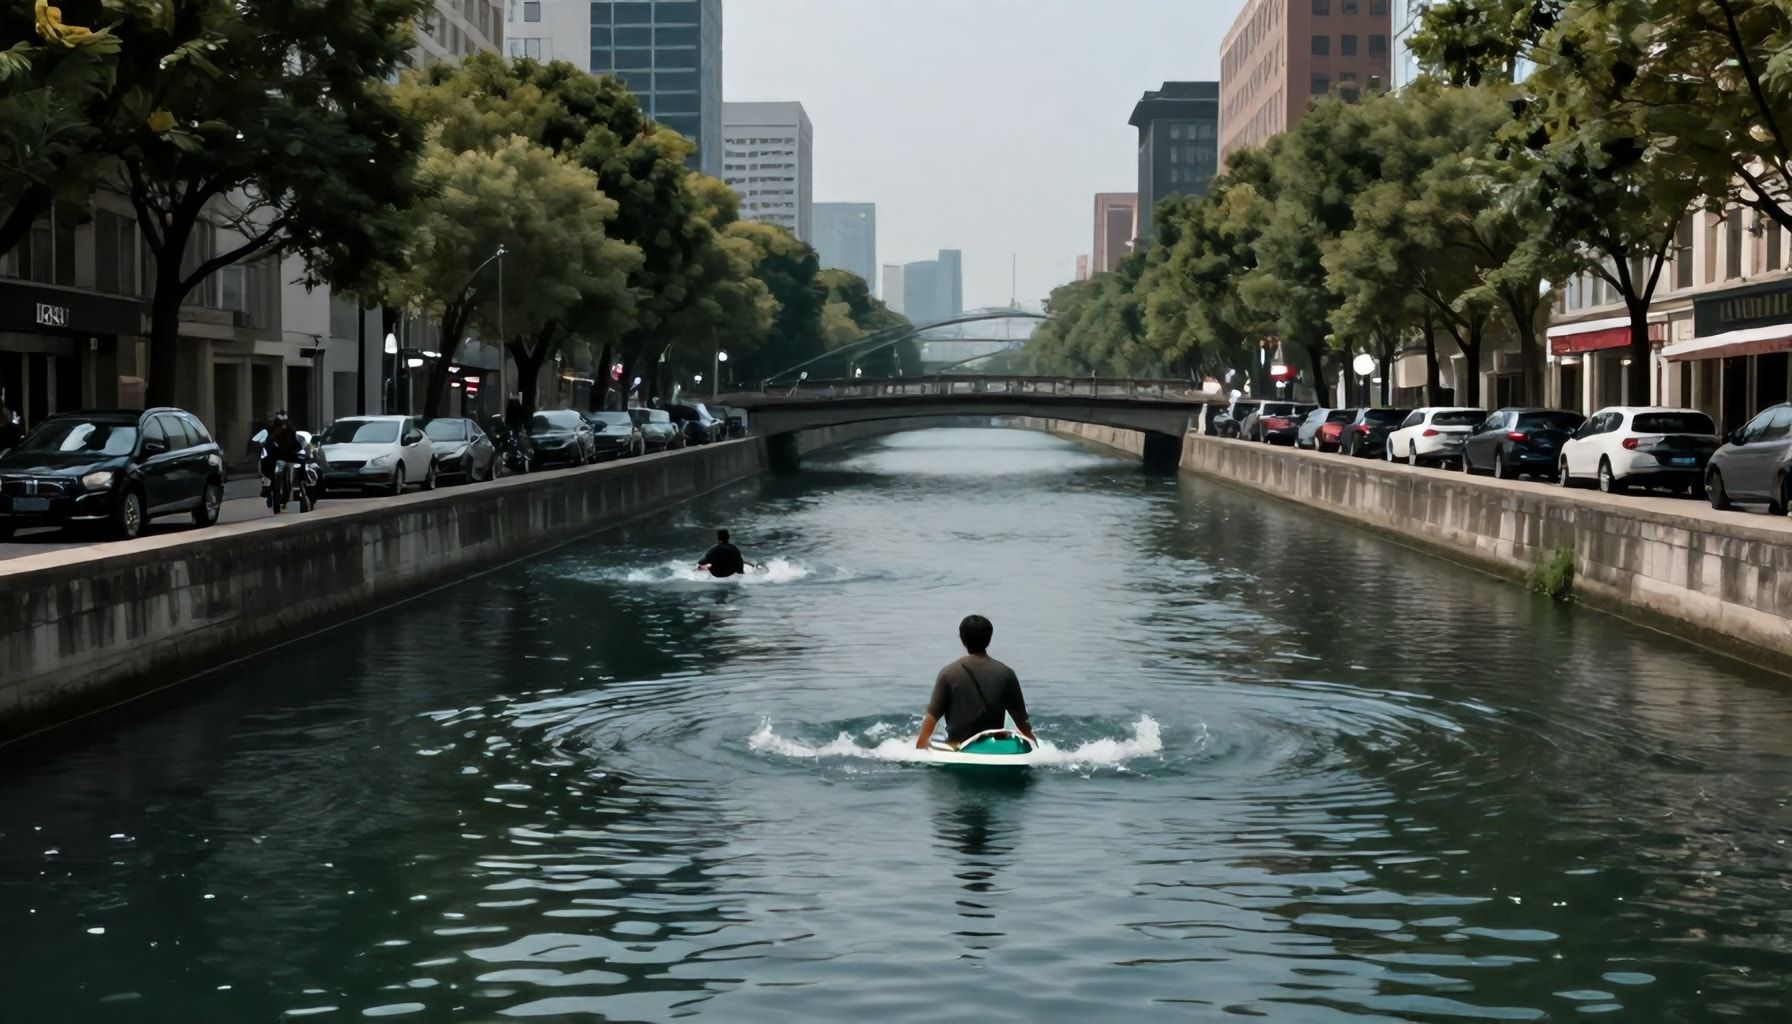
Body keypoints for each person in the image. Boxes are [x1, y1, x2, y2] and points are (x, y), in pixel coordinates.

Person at [915, 614, 1036, 750]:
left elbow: (932, 717)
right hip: (993, 746)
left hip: (958, 746)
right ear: (989, 638)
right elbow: (1022, 722)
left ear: (962, 639)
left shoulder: (949, 673)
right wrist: (1034, 745)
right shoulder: (1006, 673)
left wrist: (920, 746)